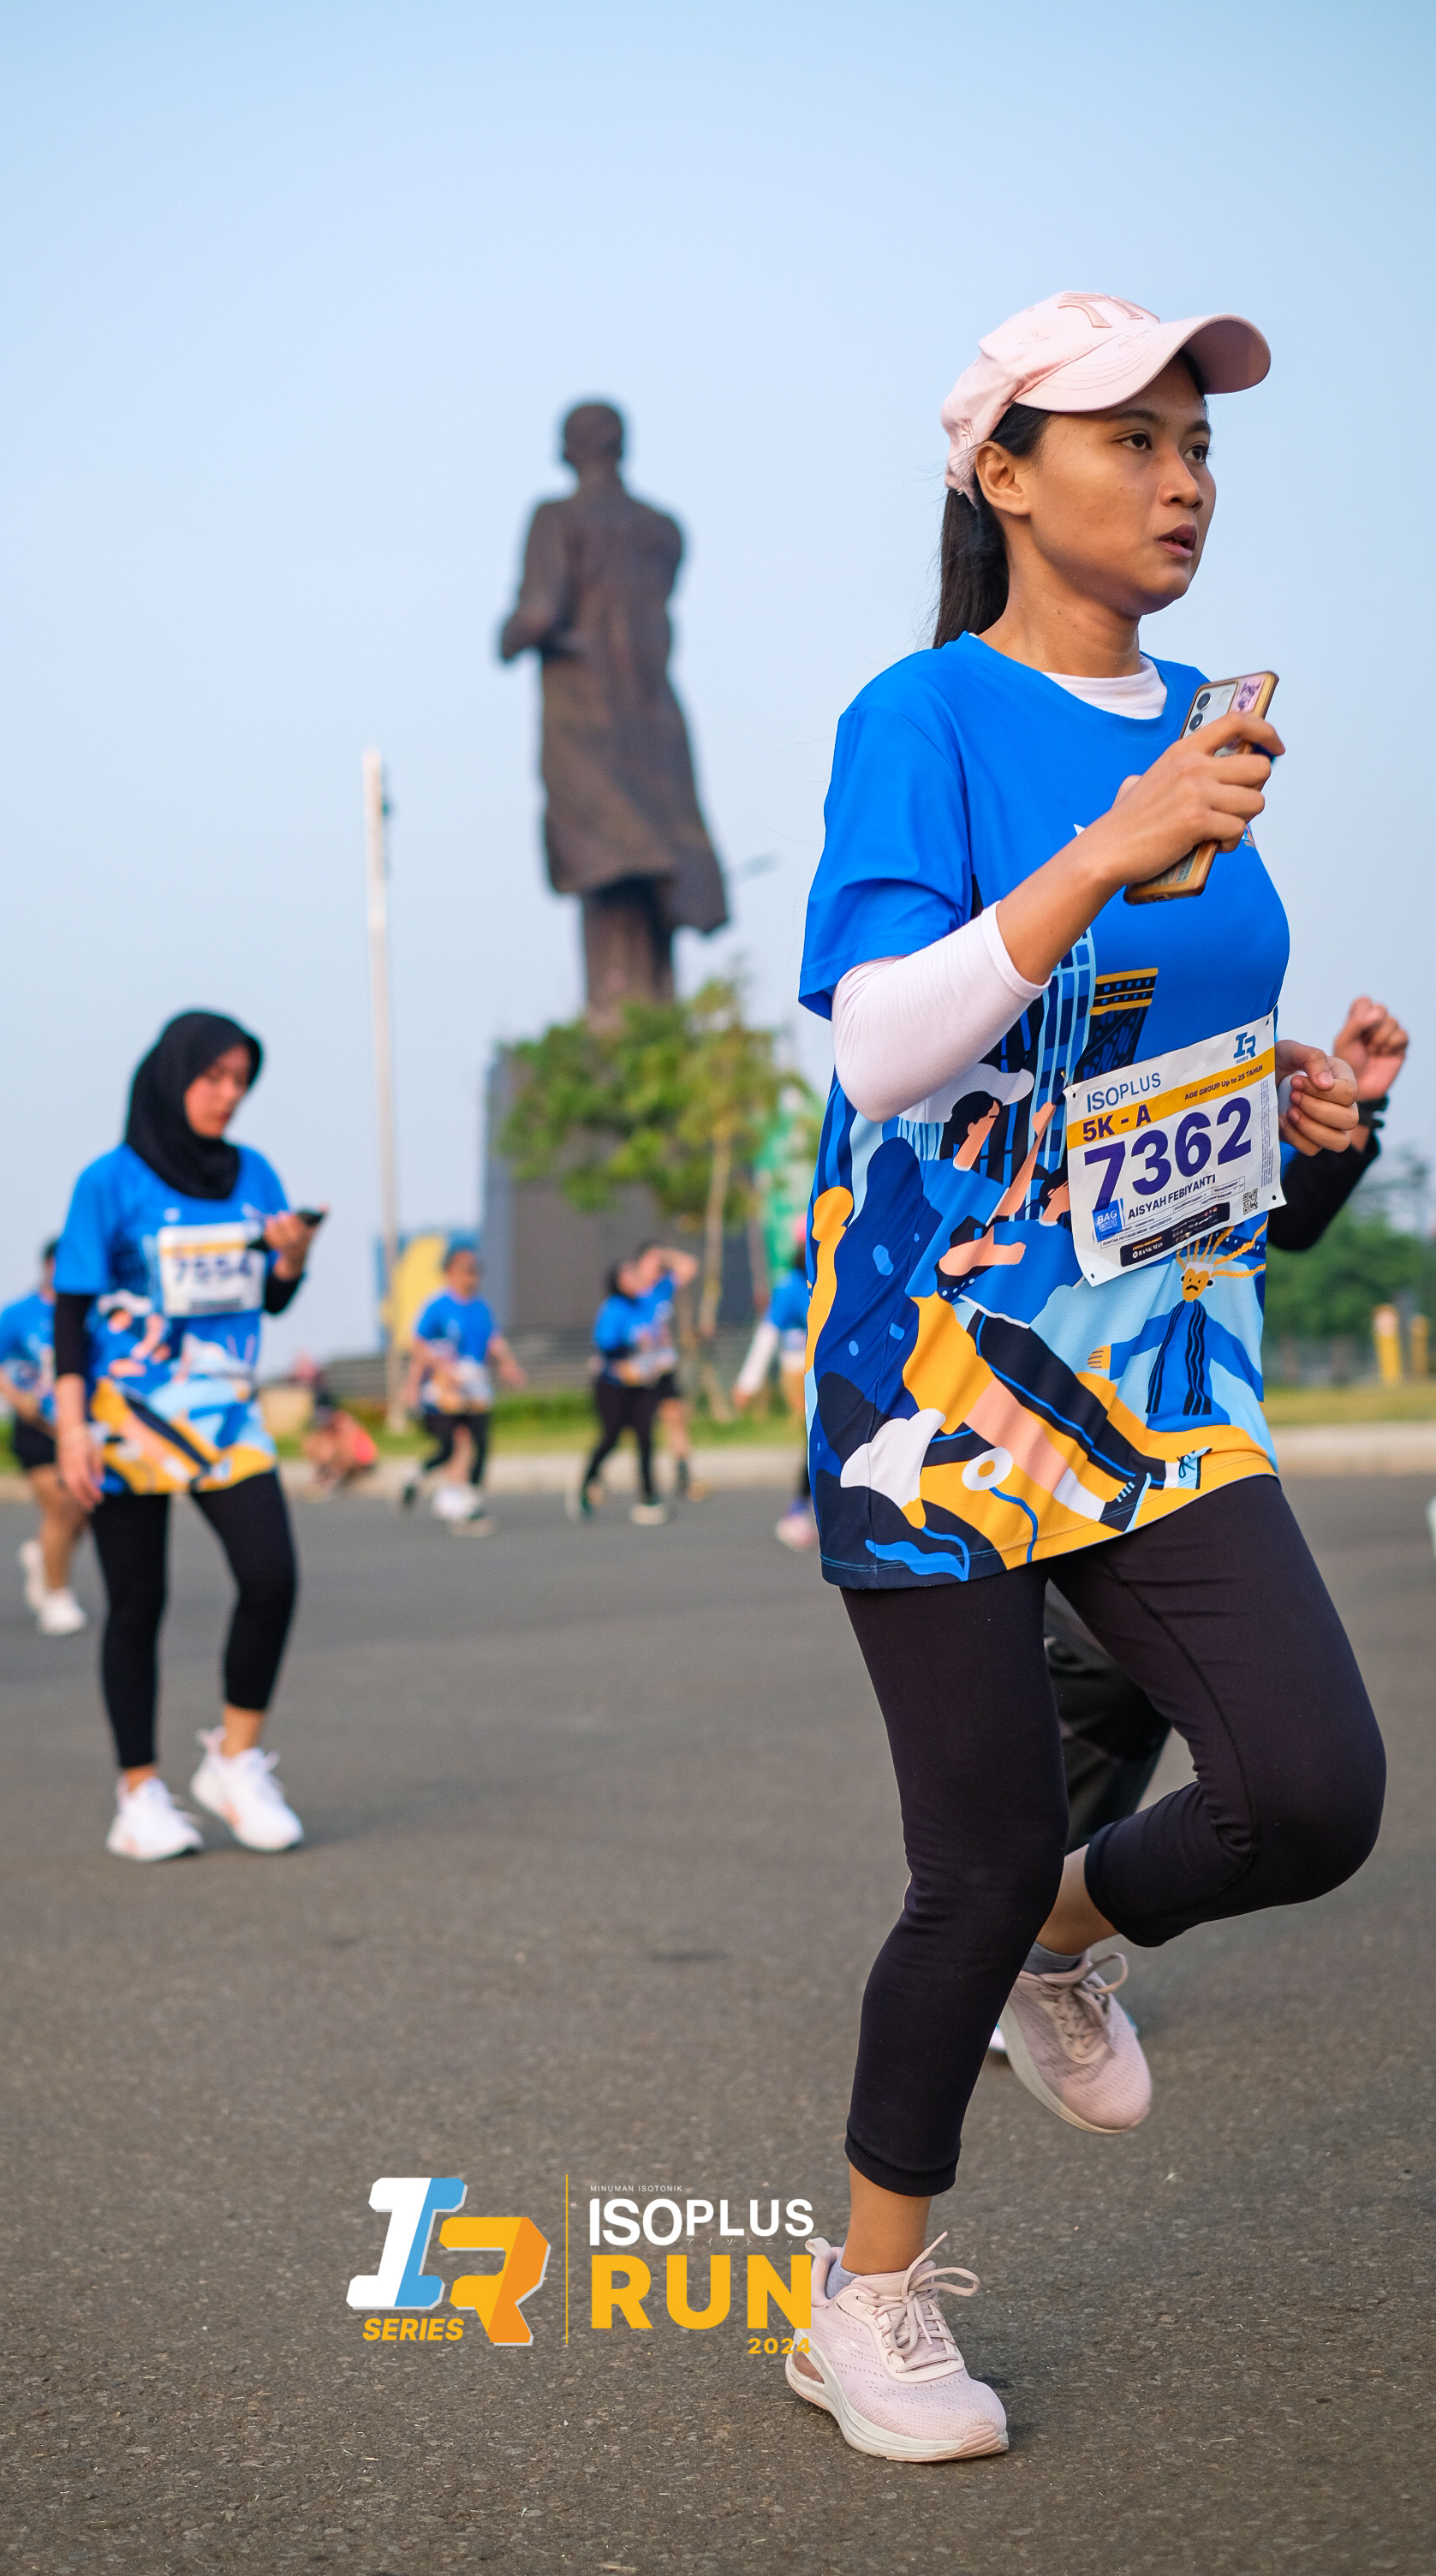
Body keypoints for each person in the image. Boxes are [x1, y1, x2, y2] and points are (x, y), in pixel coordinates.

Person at [786, 290, 1385, 2464]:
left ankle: (1069, 1930)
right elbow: (879, 1042)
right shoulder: (925, 716)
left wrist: (1315, 1136)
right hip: (940, 1387)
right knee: (962, 1860)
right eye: (1128, 437)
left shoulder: (1201, 735)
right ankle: (862, 2302)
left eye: (1195, 443)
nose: (1180, 478)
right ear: (1002, 475)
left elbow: (1161, 1145)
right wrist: (1108, 848)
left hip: (1163, 1375)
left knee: (1307, 1793)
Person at [1037, 991, 1410, 1854]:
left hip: (1199, 1425)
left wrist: (1352, 1108)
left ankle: (1050, 1911)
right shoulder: (1068, 1010)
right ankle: (1015, 1912)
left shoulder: (1218, 1038)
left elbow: (1283, 1218)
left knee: (1173, 1699)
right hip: (1060, 1411)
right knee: (1092, 1666)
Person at [51, 1011, 319, 1863]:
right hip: (126, 1419)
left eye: (241, 1080)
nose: (228, 1094)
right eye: (213, 1077)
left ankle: (234, 1761)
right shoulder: (109, 1181)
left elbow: (271, 1296)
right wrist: (69, 1428)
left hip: (226, 1415)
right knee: (138, 1604)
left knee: (271, 1577)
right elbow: (70, 1316)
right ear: (174, 1077)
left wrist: (291, 1256)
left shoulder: (255, 1173)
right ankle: (138, 1795)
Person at [0, 1240, 90, 1638]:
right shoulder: (18, 1313)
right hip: (38, 1428)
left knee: (83, 1511)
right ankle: (57, 1597)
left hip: (82, 1427)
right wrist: (17, 1398)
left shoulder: (96, 1309)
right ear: (47, 1266)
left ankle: (42, 1555)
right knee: (61, 1509)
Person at [399, 1242, 526, 1533]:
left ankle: (461, 1499)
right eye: (466, 1270)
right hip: (446, 1388)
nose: (472, 1276)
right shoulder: (437, 1307)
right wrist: (421, 1381)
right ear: (450, 1273)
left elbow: (494, 1340)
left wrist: (508, 1364)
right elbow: (417, 1345)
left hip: (475, 1384)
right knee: (452, 1445)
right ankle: (449, 1497)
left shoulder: (481, 1308)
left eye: (476, 1270)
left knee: (478, 1443)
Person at [572, 1243, 697, 1525]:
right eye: (628, 1275)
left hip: (643, 1383)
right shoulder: (613, 1308)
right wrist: (631, 1350)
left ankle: (648, 1497)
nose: (634, 1279)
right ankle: (587, 1481)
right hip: (613, 1385)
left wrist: (663, 1255)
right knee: (612, 1437)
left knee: (645, 1437)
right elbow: (605, 1345)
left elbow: (686, 1270)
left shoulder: (649, 1301)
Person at [734, 1223, 818, 1549]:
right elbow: (768, 1334)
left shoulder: (832, 1276)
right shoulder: (791, 1287)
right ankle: (796, 1513)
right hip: (801, 1373)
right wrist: (748, 1382)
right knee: (817, 1443)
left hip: (830, 1371)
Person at [295, 1359, 379, 1498]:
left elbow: (352, 1454)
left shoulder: (343, 1428)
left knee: (326, 1448)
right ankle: (328, 1477)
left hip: (361, 1463)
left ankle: (329, 1478)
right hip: (351, 1463)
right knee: (320, 1446)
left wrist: (332, 1469)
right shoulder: (336, 1427)